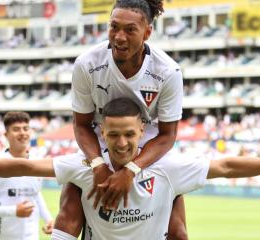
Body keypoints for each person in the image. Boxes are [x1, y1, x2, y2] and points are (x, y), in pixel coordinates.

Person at [0, 98, 260, 240]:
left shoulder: (167, 165)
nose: (123, 143)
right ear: (103, 134)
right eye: (114, 135)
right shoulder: (84, 165)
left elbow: (226, 165)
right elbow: (22, 164)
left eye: (130, 135)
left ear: (142, 130)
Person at [59, 0, 187, 239]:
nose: (119, 37)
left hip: (149, 151)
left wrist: (130, 170)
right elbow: (82, 124)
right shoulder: (87, 64)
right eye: (114, 27)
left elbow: (168, 135)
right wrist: (97, 165)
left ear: (148, 32)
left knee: (178, 232)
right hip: (99, 146)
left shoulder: (168, 71)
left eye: (130, 30)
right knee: (68, 210)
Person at [0, 111, 54, 240]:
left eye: (26, 128)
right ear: (6, 134)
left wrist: (49, 219)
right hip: (0, 236)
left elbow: (35, 195)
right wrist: (14, 211)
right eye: (16, 129)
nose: (22, 133)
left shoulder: (37, 162)